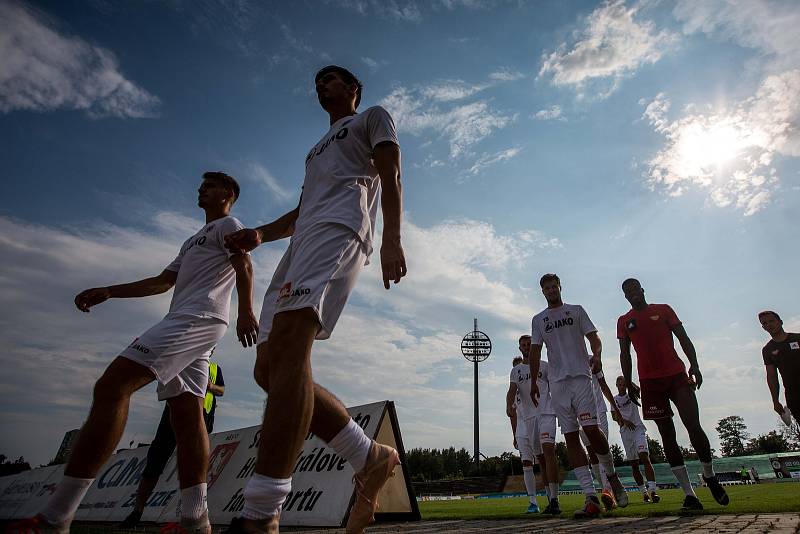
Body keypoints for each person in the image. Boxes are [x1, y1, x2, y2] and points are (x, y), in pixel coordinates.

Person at [16, 172, 257, 534]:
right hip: (188, 319)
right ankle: (196, 520)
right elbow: (162, 282)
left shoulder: (229, 225)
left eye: (209, 185)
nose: (201, 188)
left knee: (113, 386)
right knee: (187, 416)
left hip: (198, 318)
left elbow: (245, 264)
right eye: (201, 184)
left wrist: (246, 312)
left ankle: (56, 516)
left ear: (228, 193)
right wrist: (111, 291)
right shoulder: (192, 241)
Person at [221, 65, 405, 534]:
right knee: (268, 368)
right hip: (301, 241)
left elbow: (390, 172)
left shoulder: (372, 118)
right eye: (316, 82)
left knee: (291, 348)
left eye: (331, 79)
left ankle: (262, 511)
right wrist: (262, 233)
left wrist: (391, 239)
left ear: (354, 89)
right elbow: (302, 210)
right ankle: (368, 456)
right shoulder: (314, 150)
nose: (321, 85)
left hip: (341, 229)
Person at [618, 278, 729, 511]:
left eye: (635, 288)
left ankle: (709, 475)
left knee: (692, 425)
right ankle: (689, 494)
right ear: (625, 296)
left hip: (677, 375)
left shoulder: (663, 310)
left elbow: (683, 338)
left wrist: (695, 365)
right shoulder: (624, 321)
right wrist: (628, 382)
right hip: (650, 383)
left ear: (642, 290)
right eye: (628, 291)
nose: (633, 293)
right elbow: (625, 354)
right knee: (667, 436)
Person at [529, 273, 628, 519]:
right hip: (558, 383)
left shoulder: (576, 311)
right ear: (542, 292)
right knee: (571, 437)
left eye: (554, 286)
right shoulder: (539, 320)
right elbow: (534, 350)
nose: (551, 290)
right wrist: (533, 381)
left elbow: (594, 336)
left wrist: (597, 354)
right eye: (547, 288)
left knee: (592, 430)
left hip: (581, 377)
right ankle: (590, 497)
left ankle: (612, 477)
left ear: (560, 287)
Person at [119, 358, 226, 528]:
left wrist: (211, 387)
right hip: (171, 419)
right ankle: (136, 511)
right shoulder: (183, 359)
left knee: (194, 468)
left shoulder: (214, 368)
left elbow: (221, 390)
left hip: (200, 420)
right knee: (155, 463)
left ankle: (193, 515)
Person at [506, 336, 559, 515]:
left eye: (530, 344)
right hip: (529, 420)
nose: (527, 347)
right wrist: (508, 405)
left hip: (546, 413)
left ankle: (555, 500)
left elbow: (556, 388)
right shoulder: (516, 371)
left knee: (549, 451)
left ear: (535, 346)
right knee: (541, 460)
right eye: (524, 345)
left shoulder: (545, 366)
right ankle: (547, 499)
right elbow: (511, 390)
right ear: (520, 348)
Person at [578, 368, 625, 510]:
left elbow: (603, 384)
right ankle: (606, 490)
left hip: (599, 410)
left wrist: (615, 408)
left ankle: (608, 490)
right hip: (580, 412)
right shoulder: (567, 357)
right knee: (591, 454)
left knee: (601, 449)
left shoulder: (592, 360)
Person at [613, 375, 659, 503]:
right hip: (625, 432)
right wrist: (623, 421)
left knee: (644, 456)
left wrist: (629, 382)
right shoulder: (614, 399)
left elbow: (638, 390)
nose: (622, 387)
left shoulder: (632, 395)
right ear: (617, 385)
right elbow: (613, 416)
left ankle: (653, 490)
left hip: (638, 428)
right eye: (620, 384)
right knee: (634, 464)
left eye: (624, 384)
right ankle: (644, 493)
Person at [759, 310, 800, 424]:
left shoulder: (797, 338)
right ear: (763, 328)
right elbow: (772, 376)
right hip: (794, 396)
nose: (769, 325)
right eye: (765, 323)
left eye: (771, 321)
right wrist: (775, 401)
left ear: (780, 322)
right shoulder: (768, 350)